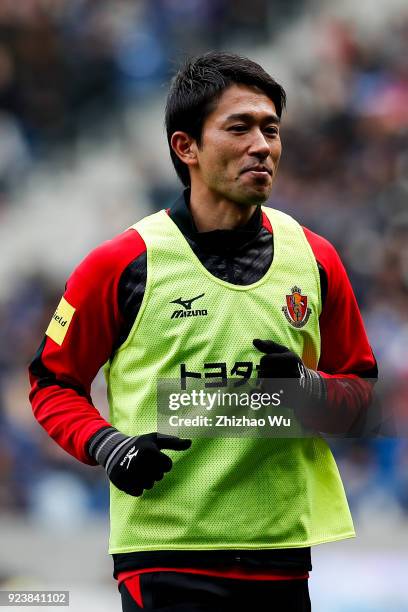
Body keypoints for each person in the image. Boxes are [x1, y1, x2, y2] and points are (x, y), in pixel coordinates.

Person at [29, 52, 378, 611]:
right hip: (164, 556)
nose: (262, 145)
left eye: (271, 129)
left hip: (280, 556)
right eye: (239, 127)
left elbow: (360, 396)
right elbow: (51, 382)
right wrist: (109, 446)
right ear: (185, 147)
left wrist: (308, 390)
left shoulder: (316, 259)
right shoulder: (120, 263)